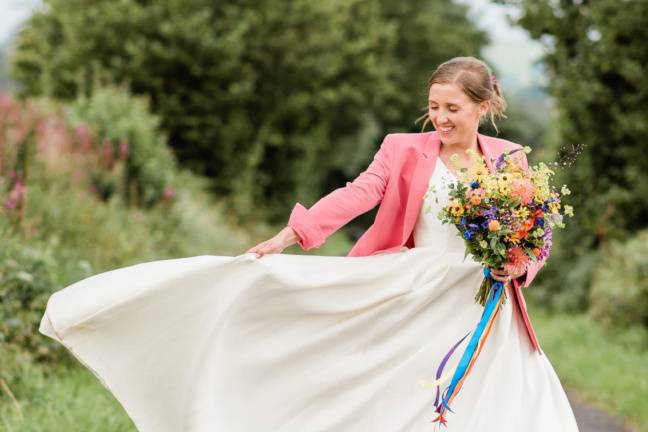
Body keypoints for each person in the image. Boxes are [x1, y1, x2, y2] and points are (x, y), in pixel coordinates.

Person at [40, 56, 579, 431]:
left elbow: (535, 232)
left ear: (482, 107)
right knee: (401, 392)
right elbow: (360, 192)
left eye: (452, 109)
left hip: (487, 300)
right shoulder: (402, 148)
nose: (439, 119)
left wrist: (518, 265)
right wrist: (292, 235)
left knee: (504, 398)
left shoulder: (509, 158)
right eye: (434, 106)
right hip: (418, 289)